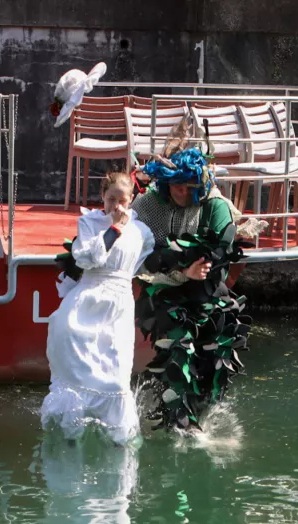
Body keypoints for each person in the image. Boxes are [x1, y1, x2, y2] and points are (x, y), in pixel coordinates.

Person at [130, 121, 254, 432]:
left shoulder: (213, 202)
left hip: (207, 291)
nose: (181, 193)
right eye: (175, 187)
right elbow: (140, 255)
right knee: (179, 349)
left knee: (217, 353)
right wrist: (181, 268)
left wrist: (198, 266)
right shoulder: (147, 205)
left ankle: (208, 411)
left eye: (186, 187)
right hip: (165, 290)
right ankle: (178, 423)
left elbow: (220, 245)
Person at [41, 172, 155, 446]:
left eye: (122, 200)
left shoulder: (142, 232)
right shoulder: (90, 222)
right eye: (110, 199)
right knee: (75, 361)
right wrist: (113, 229)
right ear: (102, 197)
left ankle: (118, 438)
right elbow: (88, 259)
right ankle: (72, 432)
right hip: (87, 298)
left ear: (131, 201)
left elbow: (147, 265)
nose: (116, 206)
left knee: (115, 377)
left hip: (118, 305)